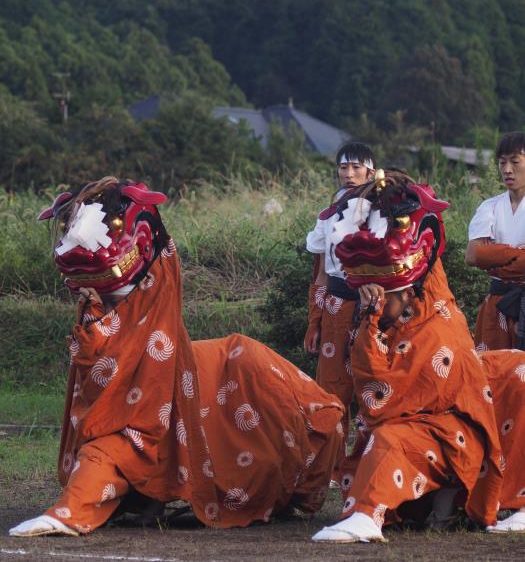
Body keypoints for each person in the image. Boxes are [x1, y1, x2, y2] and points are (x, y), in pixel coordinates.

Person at [10, 177, 344, 537]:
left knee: (128, 434)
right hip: (128, 348)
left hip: (185, 359)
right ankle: (133, 496)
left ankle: (83, 506)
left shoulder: (155, 274)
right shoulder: (98, 296)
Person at [311, 170, 525, 543]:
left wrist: (396, 197)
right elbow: (378, 403)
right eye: (367, 293)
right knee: (390, 439)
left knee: (519, 371)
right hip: (415, 423)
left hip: (461, 407)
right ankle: (366, 515)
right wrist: (374, 318)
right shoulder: (375, 320)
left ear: (408, 289)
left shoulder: (433, 303)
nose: (372, 298)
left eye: (381, 294)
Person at [304, 142, 375, 474]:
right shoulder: (332, 207)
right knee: (332, 386)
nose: (349, 174)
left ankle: (369, 461)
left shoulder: (380, 207)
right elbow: (320, 270)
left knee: (371, 381)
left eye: (356, 168)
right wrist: (314, 320)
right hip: (334, 302)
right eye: (344, 168)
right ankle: (331, 466)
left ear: (370, 172)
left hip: (370, 305)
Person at [466, 132, 525, 350]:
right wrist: (518, 256)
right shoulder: (489, 206)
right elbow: (474, 255)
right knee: (493, 371)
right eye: (502, 163)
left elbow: (486, 255)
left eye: (515, 162)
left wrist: (495, 256)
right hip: (497, 303)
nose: (507, 170)